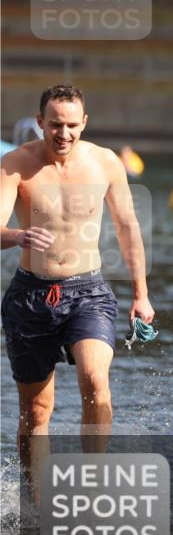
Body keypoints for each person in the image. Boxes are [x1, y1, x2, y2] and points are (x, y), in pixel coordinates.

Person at [0, 84, 155, 494]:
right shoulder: (15, 164)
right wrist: (17, 236)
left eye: (71, 125)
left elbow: (128, 229)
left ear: (84, 123)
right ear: (40, 122)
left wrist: (141, 294)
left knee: (95, 382)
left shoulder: (105, 163)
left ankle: (93, 490)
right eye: (55, 125)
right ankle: (36, 506)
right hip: (30, 296)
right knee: (36, 411)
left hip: (88, 292)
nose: (63, 134)